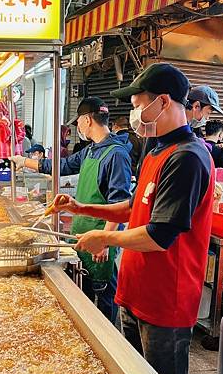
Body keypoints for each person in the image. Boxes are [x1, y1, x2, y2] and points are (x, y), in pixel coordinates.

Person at [51, 64, 213, 374]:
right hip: (135, 291)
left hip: (167, 302)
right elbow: (133, 210)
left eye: (140, 105)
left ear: (164, 103)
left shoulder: (189, 159)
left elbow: (160, 235)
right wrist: (84, 208)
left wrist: (104, 237)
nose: (135, 114)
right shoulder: (154, 151)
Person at [11, 97, 132, 324]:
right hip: (81, 234)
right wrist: (23, 161)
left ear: (87, 120)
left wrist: (105, 240)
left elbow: (121, 203)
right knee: (84, 299)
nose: (79, 127)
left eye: (79, 123)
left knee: (104, 297)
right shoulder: (91, 151)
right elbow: (61, 166)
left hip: (100, 237)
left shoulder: (116, 154)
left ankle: (108, 343)